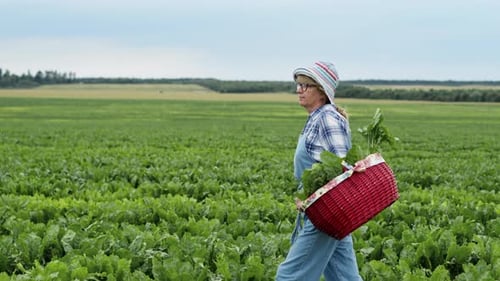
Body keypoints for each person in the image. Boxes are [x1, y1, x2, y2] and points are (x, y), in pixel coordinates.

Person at [275, 61, 363, 280]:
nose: (299, 90)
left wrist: (311, 199)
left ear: (322, 91)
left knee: (289, 276)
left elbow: (342, 169)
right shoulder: (316, 118)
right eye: (298, 85)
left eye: (305, 85)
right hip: (328, 210)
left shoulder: (327, 119)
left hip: (326, 211)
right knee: (344, 277)